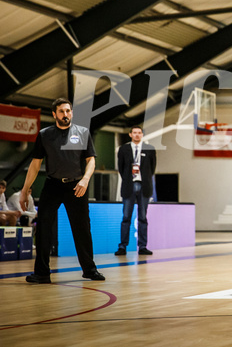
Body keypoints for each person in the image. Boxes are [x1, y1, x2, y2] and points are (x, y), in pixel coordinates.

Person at [19, 97, 105, 284]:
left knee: (82, 229)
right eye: (61, 111)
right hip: (53, 185)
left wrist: (85, 179)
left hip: (76, 186)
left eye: (68, 111)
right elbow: (35, 164)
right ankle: (42, 273)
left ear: (71, 112)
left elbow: (91, 161)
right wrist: (25, 190)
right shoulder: (44, 135)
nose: (65, 114)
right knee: (43, 228)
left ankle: (90, 270)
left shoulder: (83, 133)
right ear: (54, 114)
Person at [115, 126, 157, 256]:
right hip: (129, 186)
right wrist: (129, 178)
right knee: (126, 217)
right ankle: (122, 247)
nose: (137, 135)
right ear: (130, 134)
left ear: (142, 135)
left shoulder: (150, 149)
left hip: (144, 186)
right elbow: (121, 168)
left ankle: (143, 246)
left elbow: (153, 168)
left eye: (139, 133)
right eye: (135, 133)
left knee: (143, 218)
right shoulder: (124, 149)